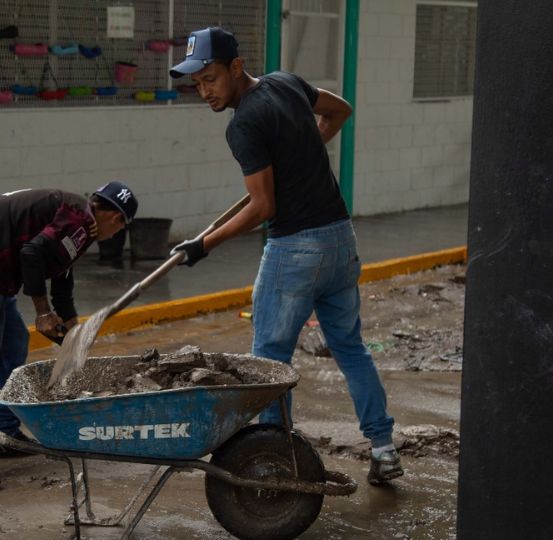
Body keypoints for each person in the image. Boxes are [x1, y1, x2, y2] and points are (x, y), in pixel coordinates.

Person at [168, 27, 402, 485]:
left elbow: (262, 206)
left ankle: (273, 460)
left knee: (269, 360)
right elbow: (339, 112)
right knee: (351, 350)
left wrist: (204, 244)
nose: (204, 92)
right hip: (340, 240)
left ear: (236, 67)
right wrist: (306, 149)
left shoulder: (243, 125)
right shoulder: (286, 82)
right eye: (197, 83)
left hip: (295, 248)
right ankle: (384, 448)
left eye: (211, 78)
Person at [0, 182, 138, 489]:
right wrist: (43, 312)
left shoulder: (82, 223)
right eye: (122, 226)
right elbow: (32, 252)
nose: (117, 234)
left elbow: (61, 273)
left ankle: (4, 436)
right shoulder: (79, 219)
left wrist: (71, 326)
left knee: (14, 347)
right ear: (115, 218)